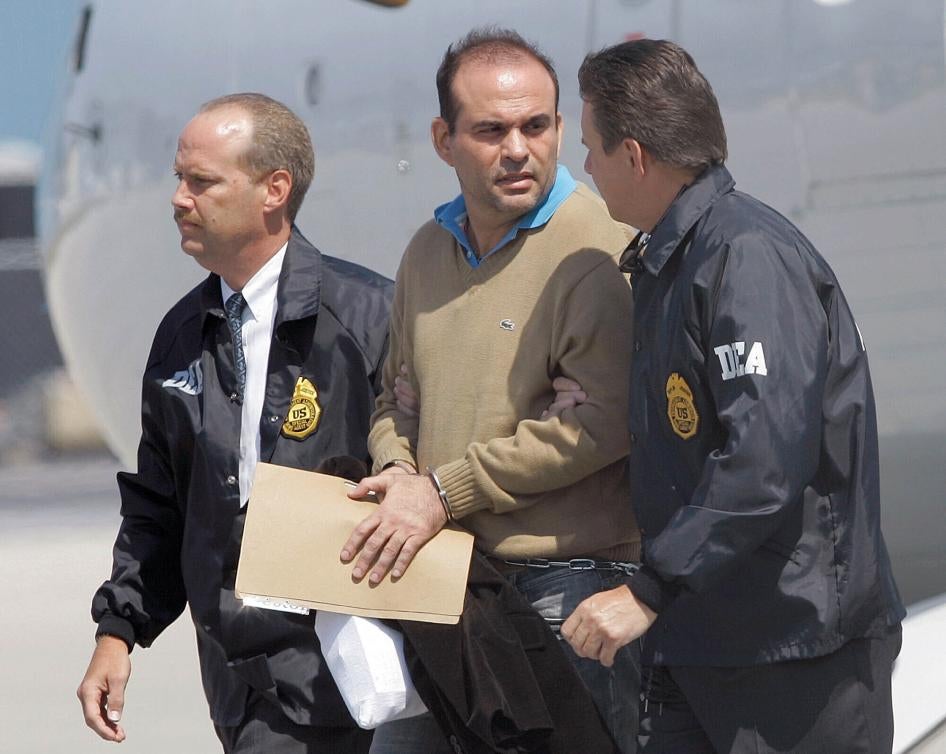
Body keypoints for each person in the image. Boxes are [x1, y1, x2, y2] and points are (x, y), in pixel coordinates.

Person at [562, 39, 906, 753]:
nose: (584, 168)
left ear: (634, 155)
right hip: (705, 644)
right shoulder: (675, 259)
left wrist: (649, 589)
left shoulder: (745, 257)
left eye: (591, 148)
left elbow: (763, 459)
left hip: (792, 657)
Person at [342, 28, 642, 753]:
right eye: (491, 130)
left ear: (562, 128)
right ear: (444, 140)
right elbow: (396, 396)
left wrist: (441, 493)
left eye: (536, 126)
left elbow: (597, 425)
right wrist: (397, 474)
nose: (518, 148)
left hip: (562, 595)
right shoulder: (426, 249)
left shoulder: (597, 247)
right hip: (441, 581)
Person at [76, 93, 392, 753]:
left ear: (275, 190)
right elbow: (159, 508)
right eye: (179, 180)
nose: (179, 199)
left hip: (362, 678)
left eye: (202, 181)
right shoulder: (181, 335)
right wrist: (118, 632)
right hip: (241, 684)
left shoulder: (369, 319)